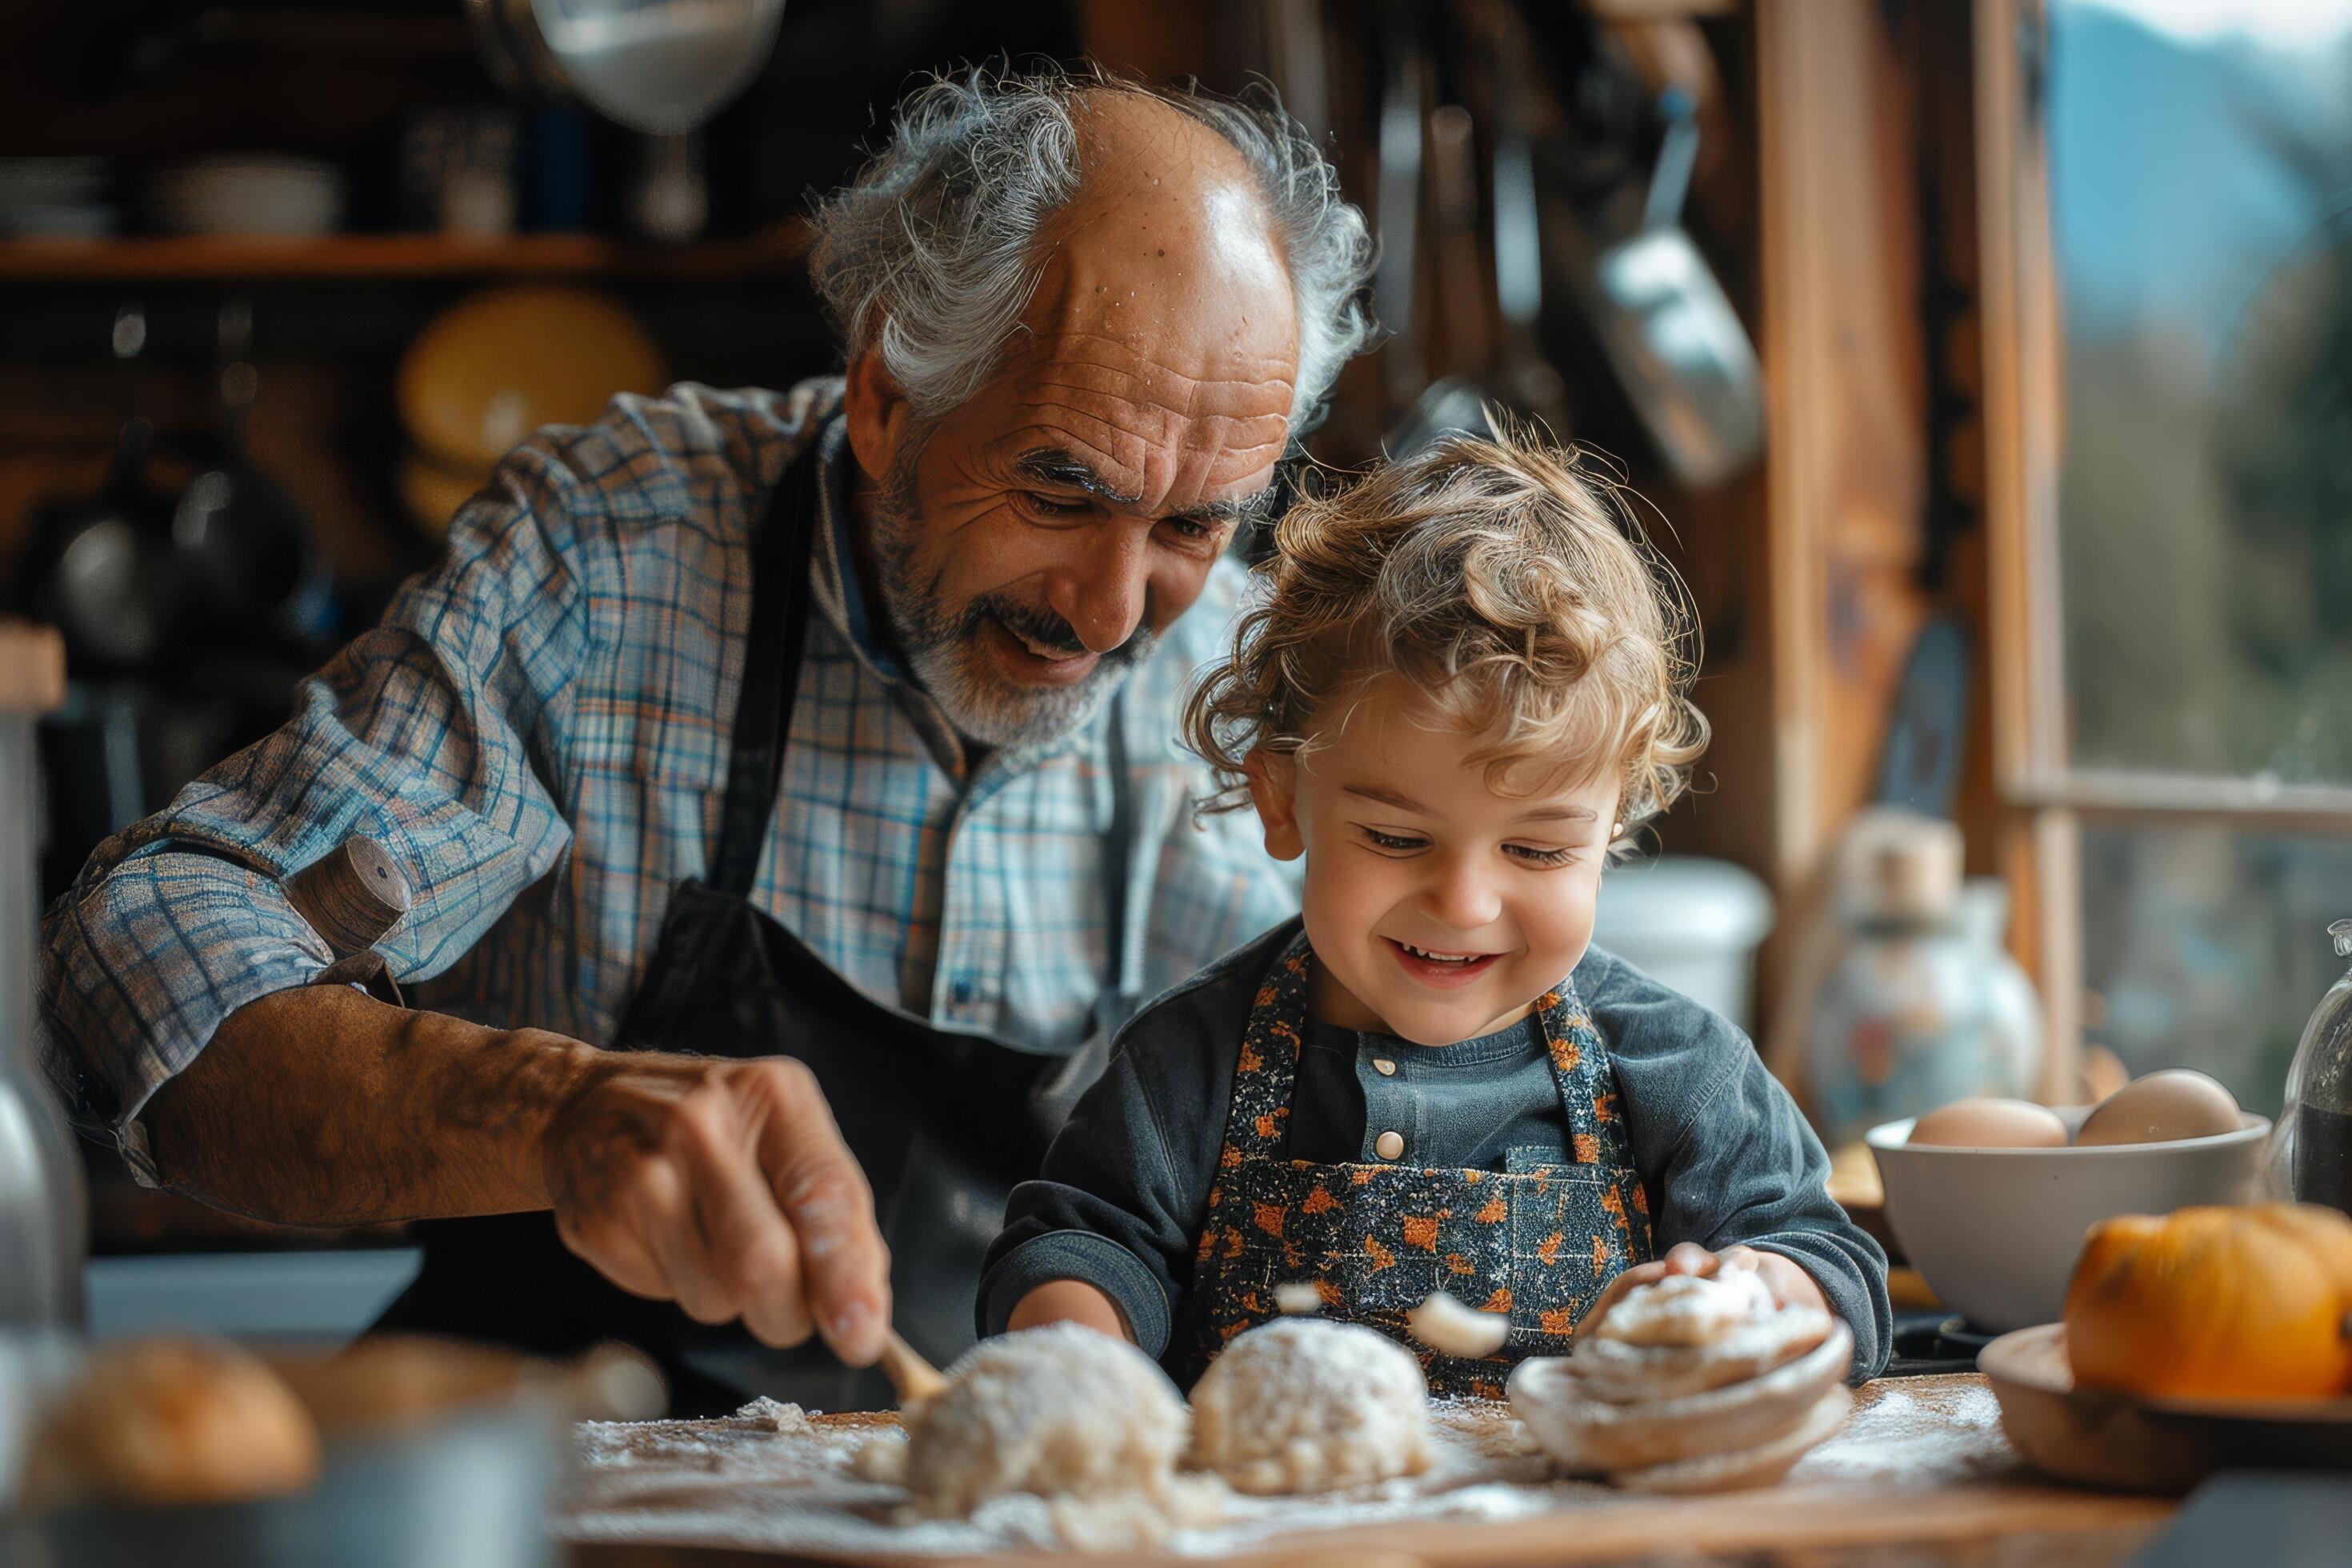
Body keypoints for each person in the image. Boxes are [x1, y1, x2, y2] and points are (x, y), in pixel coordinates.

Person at [38, 66, 1375, 1411]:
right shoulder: (615, 554)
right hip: (568, 1462)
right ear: (884, 396)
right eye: (1060, 489)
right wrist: (549, 1113)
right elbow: (142, 945)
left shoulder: (1252, 690)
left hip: (1014, 1512)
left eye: (1197, 524)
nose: (1111, 608)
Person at [982, 430, 1893, 1394]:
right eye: (1397, 839)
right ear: (1283, 798)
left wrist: (1756, 1293)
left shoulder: (1678, 1073)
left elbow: (1836, 1270)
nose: (1464, 903)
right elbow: (1079, 1243)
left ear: (1611, 827)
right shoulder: (1189, 1063)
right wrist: (1077, 1348)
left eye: (1537, 850)